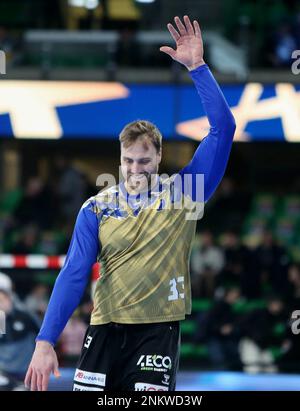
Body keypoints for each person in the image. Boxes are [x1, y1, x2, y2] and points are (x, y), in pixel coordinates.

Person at [25, 15, 236, 391]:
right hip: (105, 329)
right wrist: (45, 341)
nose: (135, 168)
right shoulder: (95, 208)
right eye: (128, 161)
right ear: (119, 160)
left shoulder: (185, 192)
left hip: (157, 333)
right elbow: (74, 273)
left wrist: (198, 68)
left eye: (143, 160)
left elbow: (224, 128)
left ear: (158, 158)